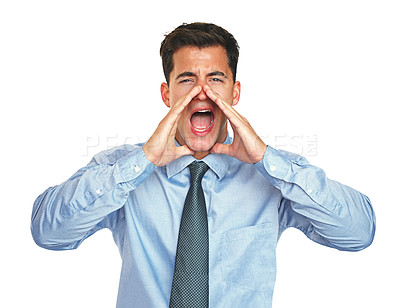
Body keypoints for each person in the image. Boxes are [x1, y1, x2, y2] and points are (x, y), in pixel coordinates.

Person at [31, 22, 376, 307]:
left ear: (234, 92)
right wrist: (142, 162)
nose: (201, 93)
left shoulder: (276, 175)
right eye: (186, 79)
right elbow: (48, 233)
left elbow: (358, 234)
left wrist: (269, 161)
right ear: (167, 94)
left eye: (215, 79)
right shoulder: (119, 170)